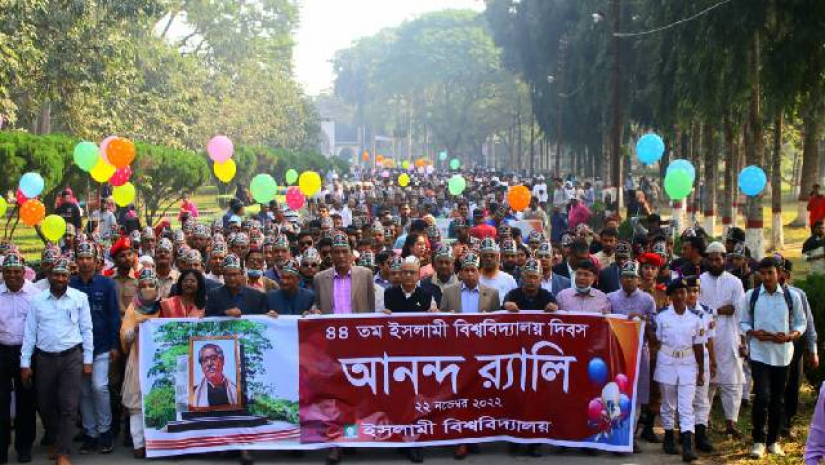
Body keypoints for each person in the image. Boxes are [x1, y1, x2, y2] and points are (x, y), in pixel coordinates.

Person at [20, 257, 94, 465]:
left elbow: (87, 330)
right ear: (49, 276)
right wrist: (25, 363)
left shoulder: (79, 298)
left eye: (64, 275)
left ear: (69, 277)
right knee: (44, 404)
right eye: (56, 275)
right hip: (44, 358)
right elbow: (30, 332)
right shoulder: (38, 300)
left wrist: (88, 360)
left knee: (69, 405)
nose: (60, 278)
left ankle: (63, 452)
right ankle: (55, 437)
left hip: (72, 356)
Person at [741, 257, 807, 459]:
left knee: (778, 399)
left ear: (779, 273)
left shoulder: (791, 297)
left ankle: (773, 440)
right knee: (762, 396)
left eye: (771, 273)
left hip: (783, 355)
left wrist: (790, 336)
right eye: (763, 273)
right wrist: (753, 332)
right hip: (760, 353)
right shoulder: (752, 296)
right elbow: (743, 322)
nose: (767, 277)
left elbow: (801, 323)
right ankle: (758, 441)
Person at [69, 242, 120, 455]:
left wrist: (115, 345)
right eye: (81, 258)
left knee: (100, 387)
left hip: (101, 346)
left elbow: (113, 316)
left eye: (88, 258)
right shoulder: (70, 284)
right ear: (76, 261)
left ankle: (105, 431)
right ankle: (90, 434)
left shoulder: (107, 284)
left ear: (96, 261)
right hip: (77, 347)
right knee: (84, 392)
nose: (85, 261)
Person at [606, 261, 657, 451]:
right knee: (615, 393)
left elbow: (655, 326)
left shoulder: (647, 300)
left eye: (633, 277)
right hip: (615, 354)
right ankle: (614, 433)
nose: (629, 280)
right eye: (626, 276)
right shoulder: (610, 298)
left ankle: (629, 437)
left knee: (635, 395)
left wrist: (644, 319)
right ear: (620, 279)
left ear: (638, 279)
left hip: (638, 354)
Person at [699, 242, 746, 438]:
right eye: (711, 259)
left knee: (732, 384)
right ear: (706, 261)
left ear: (724, 259)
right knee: (707, 383)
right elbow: (698, 309)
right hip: (705, 338)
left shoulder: (735, 282)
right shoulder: (699, 281)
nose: (714, 263)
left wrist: (743, 341)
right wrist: (720, 310)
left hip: (729, 337)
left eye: (718, 259)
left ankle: (731, 424)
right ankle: (703, 421)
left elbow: (738, 311)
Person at [654, 278, 704, 463]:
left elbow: (699, 346)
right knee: (668, 403)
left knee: (686, 405)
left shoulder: (695, 319)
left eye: (683, 292)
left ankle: (687, 446)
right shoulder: (662, 317)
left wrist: (702, 371)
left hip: (688, 363)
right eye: (676, 292)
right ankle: (668, 438)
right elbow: (656, 340)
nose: (681, 296)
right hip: (667, 361)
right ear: (670, 296)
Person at [119, 268, 163, 459]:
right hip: (137, 359)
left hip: (161, 362)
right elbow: (124, 335)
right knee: (136, 404)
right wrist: (135, 331)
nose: (147, 289)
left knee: (160, 400)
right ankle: (138, 443)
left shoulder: (164, 307)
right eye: (143, 285)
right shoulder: (133, 308)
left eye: (151, 285)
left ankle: (157, 441)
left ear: (157, 287)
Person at [0, 253, 38, 464]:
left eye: (16, 271)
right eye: (8, 272)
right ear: (3, 273)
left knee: (26, 402)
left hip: (28, 354)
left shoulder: (35, 295)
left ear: (24, 273)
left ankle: (24, 447)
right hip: (2, 352)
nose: (12, 275)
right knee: (1, 403)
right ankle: (2, 448)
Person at [779, 258, 819, 439]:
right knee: (773, 386)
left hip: (794, 345)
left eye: (777, 270)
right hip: (771, 345)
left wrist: (813, 350)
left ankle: (787, 422)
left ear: (786, 275)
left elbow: (808, 324)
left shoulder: (798, 295)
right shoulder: (758, 294)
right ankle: (774, 423)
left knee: (793, 385)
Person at [685, 276, 716, 454]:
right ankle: (685, 432)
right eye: (689, 291)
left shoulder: (707, 311)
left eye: (695, 291)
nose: (692, 294)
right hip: (683, 358)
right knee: (684, 397)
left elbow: (710, 338)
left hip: (701, 358)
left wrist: (712, 360)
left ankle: (701, 436)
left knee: (701, 398)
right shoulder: (678, 310)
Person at [312, 232, 375, 315]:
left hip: (357, 326)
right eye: (336, 252)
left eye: (344, 251)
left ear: (351, 254)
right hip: (332, 327)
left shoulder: (365, 274)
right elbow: (318, 306)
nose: (341, 256)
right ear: (331, 255)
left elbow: (371, 306)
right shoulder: (320, 278)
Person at [477, 238, 517, 306]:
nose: (489, 259)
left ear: (498, 257)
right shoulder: (475, 280)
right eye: (485, 256)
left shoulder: (509, 280)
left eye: (492, 255)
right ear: (480, 257)